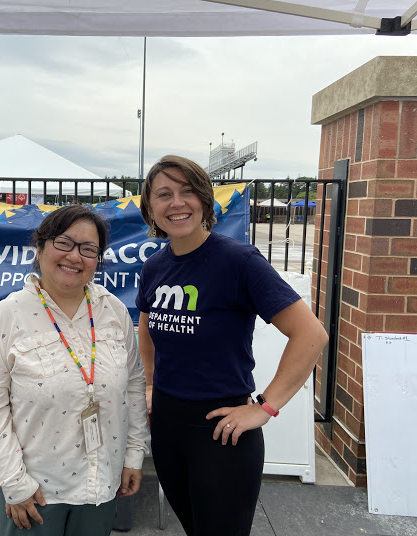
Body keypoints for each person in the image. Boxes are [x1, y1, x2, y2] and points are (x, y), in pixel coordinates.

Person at [136, 155, 328, 536]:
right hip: (168, 425)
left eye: (187, 191)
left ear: (205, 201)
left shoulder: (238, 261)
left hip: (222, 430)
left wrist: (265, 407)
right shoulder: (155, 267)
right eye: (164, 194)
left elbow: (311, 335)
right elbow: (146, 322)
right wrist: (150, 384)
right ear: (150, 209)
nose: (177, 203)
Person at [0, 205, 149, 535]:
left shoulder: (113, 311)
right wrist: (14, 482)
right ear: (39, 249)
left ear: (98, 258)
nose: (74, 256)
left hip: (101, 485)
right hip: (33, 493)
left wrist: (134, 454)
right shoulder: (6, 317)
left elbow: (134, 386)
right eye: (63, 243)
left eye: (88, 249)